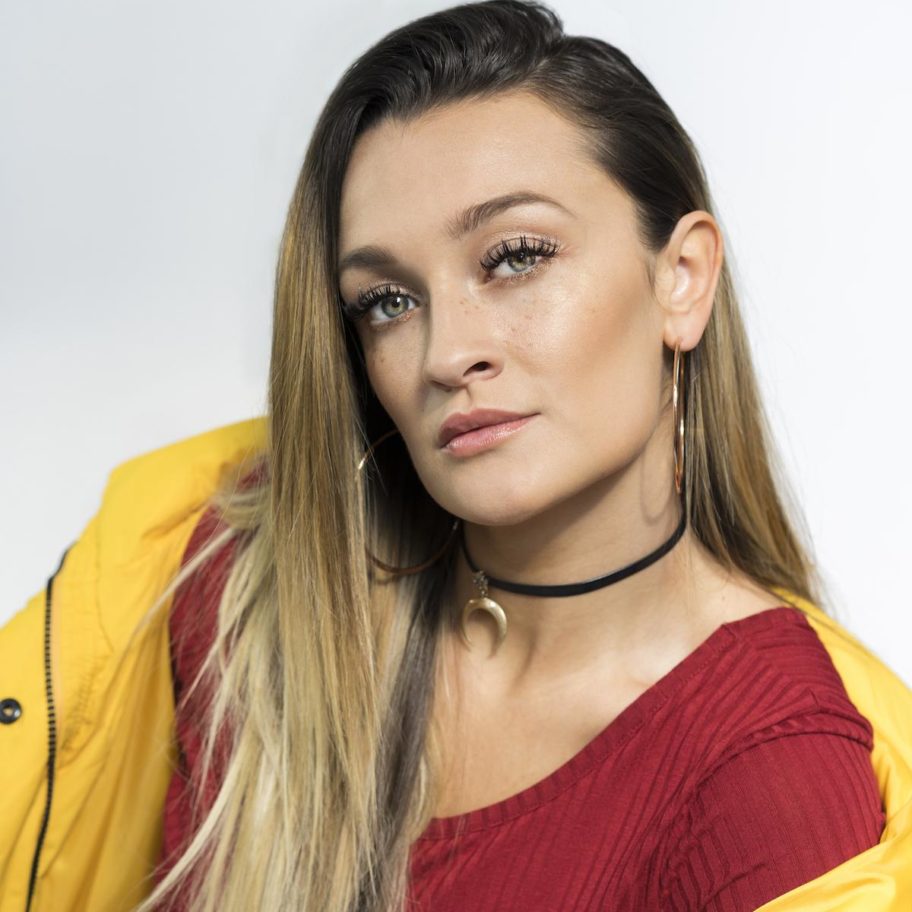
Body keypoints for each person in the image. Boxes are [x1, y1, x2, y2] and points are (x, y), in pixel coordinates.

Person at [2, 1, 911, 910]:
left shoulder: (771, 769)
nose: (445, 354)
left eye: (514, 257)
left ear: (682, 279)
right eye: (387, 301)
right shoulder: (238, 583)